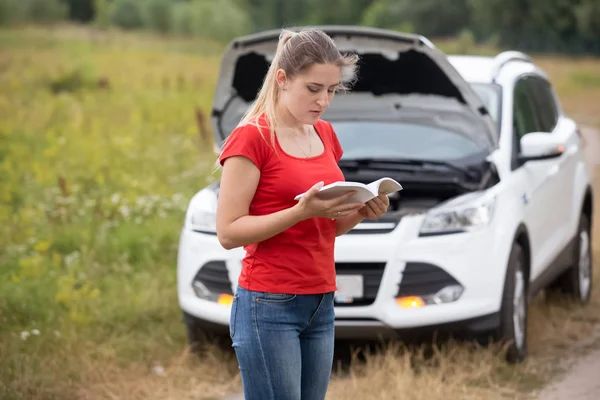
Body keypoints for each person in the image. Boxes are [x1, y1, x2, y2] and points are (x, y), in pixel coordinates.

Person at [215, 27, 390, 400]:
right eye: (313, 89)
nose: (323, 101)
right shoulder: (253, 137)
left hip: (321, 300)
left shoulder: (324, 134)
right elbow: (228, 232)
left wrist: (360, 212)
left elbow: (321, 226)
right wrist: (298, 211)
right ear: (283, 78)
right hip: (269, 303)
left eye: (331, 90)